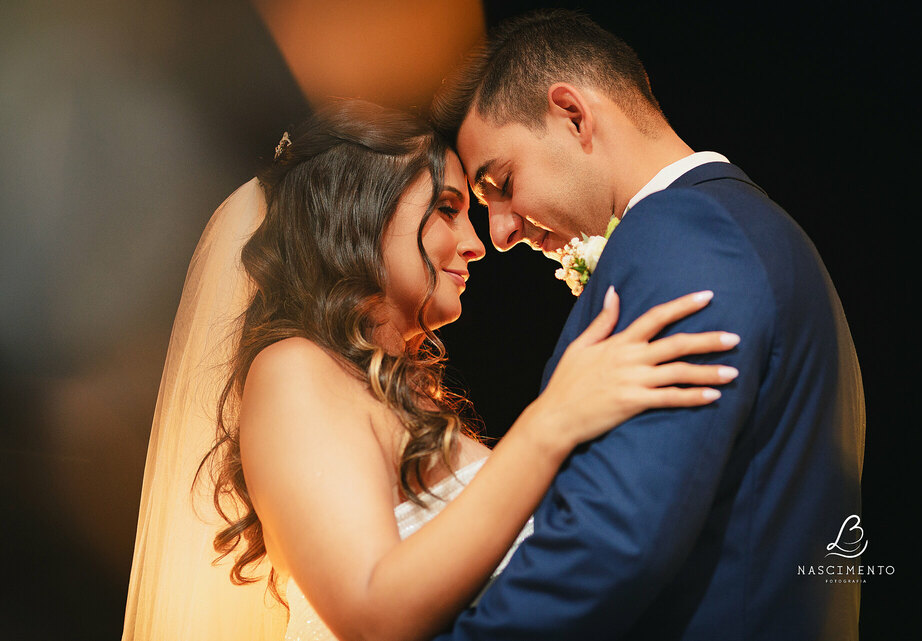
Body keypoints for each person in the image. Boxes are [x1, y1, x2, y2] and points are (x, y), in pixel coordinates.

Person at [121, 99, 741, 641]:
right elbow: (371, 616)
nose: (476, 244)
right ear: (356, 212)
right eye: (447, 208)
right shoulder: (294, 371)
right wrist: (551, 423)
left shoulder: (389, 393)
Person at [427, 9, 866, 641]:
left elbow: (613, 539)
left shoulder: (681, 237)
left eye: (500, 182)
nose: (499, 233)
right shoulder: (750, 228)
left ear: (572, 114)